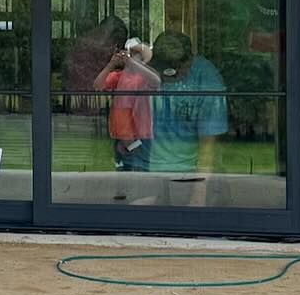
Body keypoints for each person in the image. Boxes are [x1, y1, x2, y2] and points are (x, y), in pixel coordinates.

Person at [148, 30, 228, 194]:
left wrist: (199, 193)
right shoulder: (147, 71)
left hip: (191, 171)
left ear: (189, 62)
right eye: (163, 72)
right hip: (146, 168)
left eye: (175, 73)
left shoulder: (208, 82)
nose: (168, 79)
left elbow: (208, 144)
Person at [96, 37, 156, 170]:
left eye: (137, 55)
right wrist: (110, 65)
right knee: (123, 173)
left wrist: (135, 64)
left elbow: (156, 82)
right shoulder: (117, 76)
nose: (133, 58)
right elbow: (98, 86)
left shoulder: (144, 77)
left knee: (143, 172)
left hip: (142, 132)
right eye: (131, 54)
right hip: (122, 133)